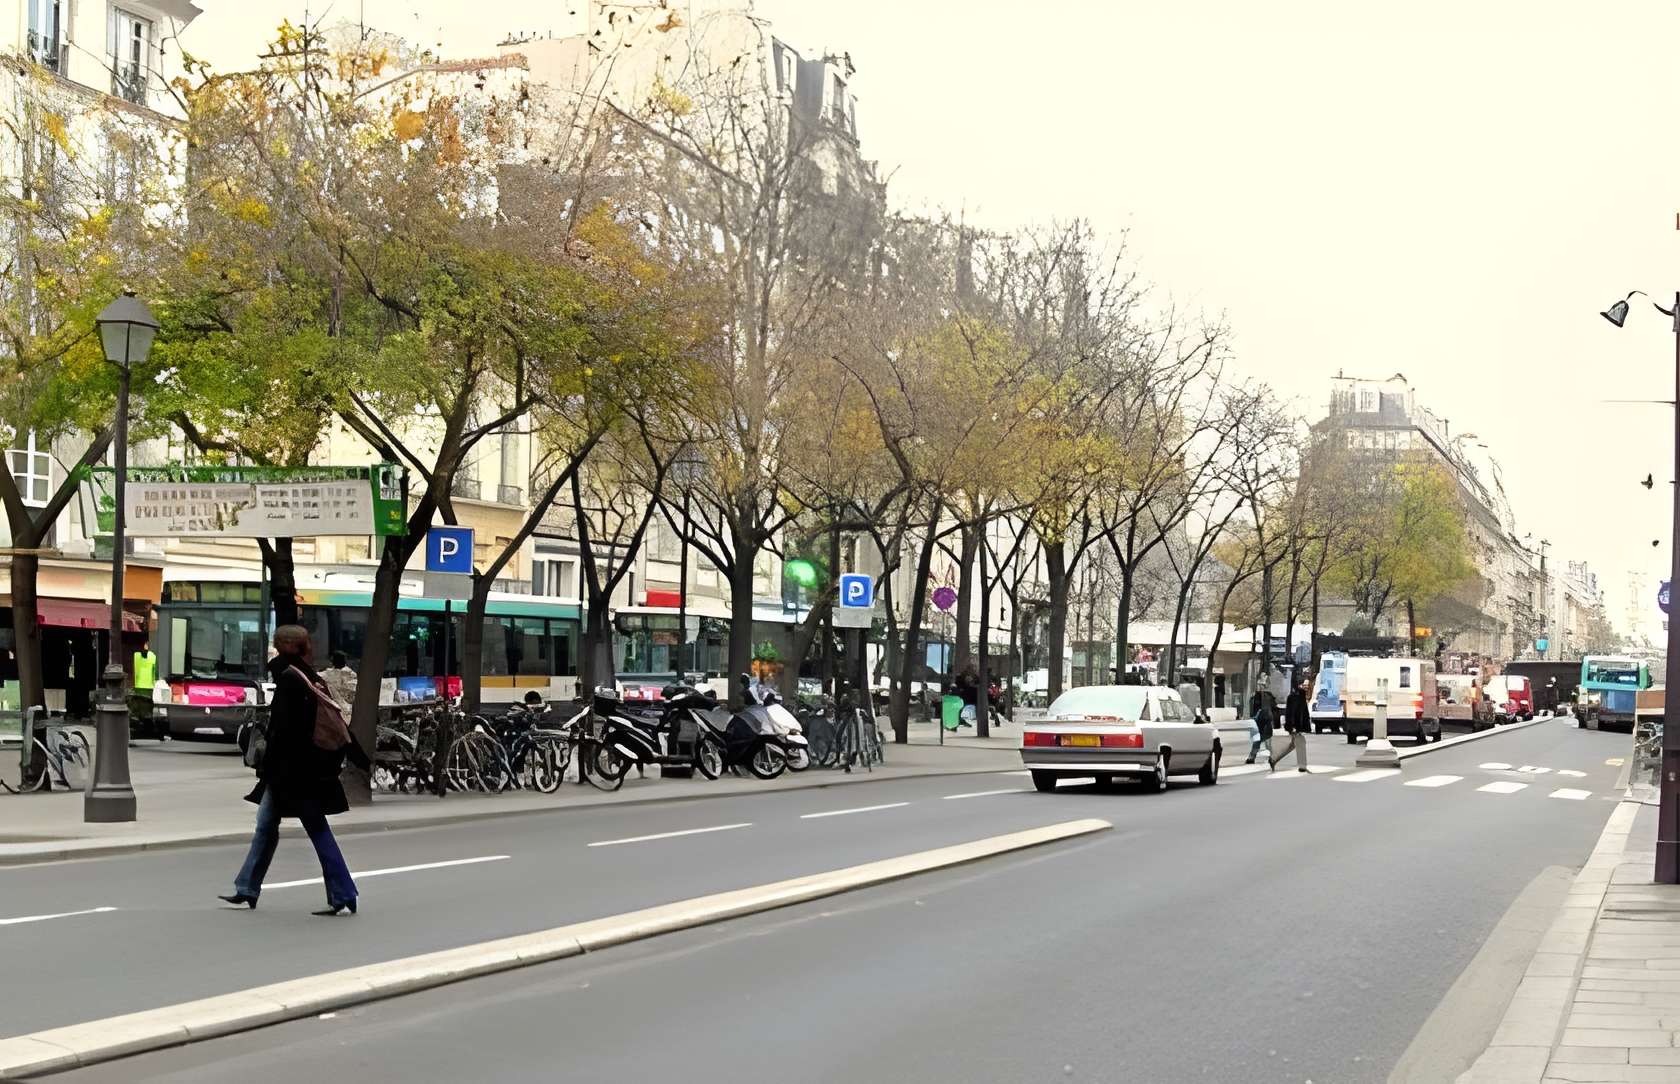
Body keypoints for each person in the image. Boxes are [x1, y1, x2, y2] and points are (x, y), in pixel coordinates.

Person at [221, 625, 369, 916]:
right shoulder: (309, 677)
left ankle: (343, 892)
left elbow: (283, 733)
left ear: (282, 647)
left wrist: (269, 768)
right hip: (300, 771)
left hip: (291, 774)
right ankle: (247, 888)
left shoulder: (290, 679)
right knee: (267, 826)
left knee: (314, 829)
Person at [1272, 675, 1312, 773]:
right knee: (1301, 742)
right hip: (1295, 726)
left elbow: (1304, 713)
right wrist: (1293, 726)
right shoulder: (1295, 697)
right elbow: (1292, 713)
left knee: (1292, 745)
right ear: (1298, 685)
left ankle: (1273, 759)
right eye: (1303, 685)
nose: (1305, 687)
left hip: (1296, 725)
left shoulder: (1300, 695)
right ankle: (1302, 766)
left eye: (1306, 685)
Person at [130, 639, 159, 738]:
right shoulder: (153, 656)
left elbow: (134, 670)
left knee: (139, 709)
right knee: (147, 710)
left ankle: (141, 728)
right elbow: (154, 672)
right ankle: (147, 729)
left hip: (139, 686)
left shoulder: (136, 656)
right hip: (148, 687)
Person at [1247, 687, 1274, 764]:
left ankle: (1252, 757)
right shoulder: (1268, 696)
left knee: (1259, 739)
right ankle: (1272, 757)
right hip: (1265, 721)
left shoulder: (1255, 697)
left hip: (1260, 721)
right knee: (1266, 740)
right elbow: (1273, 708)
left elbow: (1252, 712)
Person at [953, 663, 978, 728]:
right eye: (971, 668)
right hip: (965, 694)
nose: (972, 670)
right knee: (961, 706)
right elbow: (958, 684)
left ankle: (959, 719)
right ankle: (958, 719)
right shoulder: (961, 676)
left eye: (973, 668)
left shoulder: (975, 676)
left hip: (971, 694)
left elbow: (977, 683)